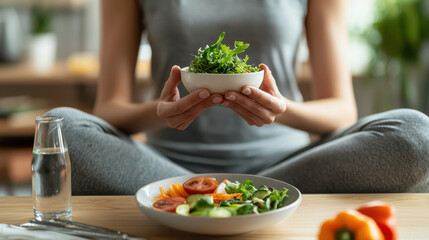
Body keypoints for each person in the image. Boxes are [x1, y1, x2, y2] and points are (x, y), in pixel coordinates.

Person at [47, 0, 429, 195]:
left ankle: (210, 203)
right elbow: (109, 109)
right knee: (64, 129)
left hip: (291, 164)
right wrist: (162, 112)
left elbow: (341, 109)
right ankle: (247, 201)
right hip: (167, 166)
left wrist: (281, 110)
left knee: (415, 134)